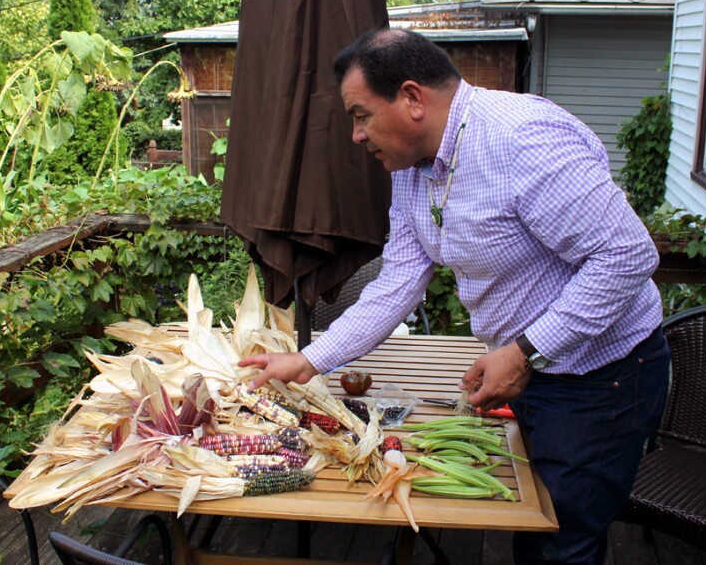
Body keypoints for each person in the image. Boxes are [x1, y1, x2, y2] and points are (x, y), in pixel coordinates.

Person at [240, 28, 670, 564]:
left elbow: (627, 256)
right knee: (537, 529)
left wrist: (523, 351)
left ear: (412, 98)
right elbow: (398, 279)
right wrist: (308, 359)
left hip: (604, 375)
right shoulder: (413, 169)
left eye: (360, 114)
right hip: (540, 367)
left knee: (561, 544)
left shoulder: (522, 140)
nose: (355, 135)